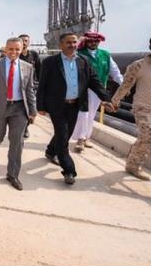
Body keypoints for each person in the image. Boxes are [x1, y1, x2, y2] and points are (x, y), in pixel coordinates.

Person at [37, 32, 114, 185]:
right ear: (61, 45)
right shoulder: (50, 62)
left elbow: (94, 81)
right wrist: (40, 106)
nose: (72, 45)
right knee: (63, 137)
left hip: (75, 105)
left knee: (65, 134)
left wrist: (106, 99)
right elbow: (42, 85)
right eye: (68, 42)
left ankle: (50, 151)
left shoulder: (83, 61)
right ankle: (69, 171)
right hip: (57, 105)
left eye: (74, 42)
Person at [0, 38, 37, 190]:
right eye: (11, 49)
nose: (14, 52)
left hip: (19, 109)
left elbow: (29, 90)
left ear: (22, 49)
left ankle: (13, 174)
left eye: (17, 49)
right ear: (5, 49)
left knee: (17, 142)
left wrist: (33, 110)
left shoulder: (27, 67)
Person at [110, 33, 151, 181]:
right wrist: (115, 101)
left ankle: (132, 165)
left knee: (144, 140)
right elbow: (126, 85)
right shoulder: (139, 65)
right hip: (144, 110)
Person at [71, 32, 123, 153]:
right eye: (90, 41)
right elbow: (68, 53)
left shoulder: (105, 55)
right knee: (83, 114)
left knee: (91, 114)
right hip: (82, 89)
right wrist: (79, 40)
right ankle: (80, 139)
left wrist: (123, 85)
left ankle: (86, 137)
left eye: (96, 41)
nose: (93, 43)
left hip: (98, 90)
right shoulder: (79, 53)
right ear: (86, 41)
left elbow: (115, 72)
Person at [18, 34, 41, 138]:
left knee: (30, 108)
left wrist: (40, 84)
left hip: (32, 86)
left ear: (29, 42)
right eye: (22, 40)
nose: (24, 43)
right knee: (21, 108)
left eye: (26, 40)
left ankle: (26, 126)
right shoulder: (16, 55)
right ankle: (23, 128)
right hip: (19, 86)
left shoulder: (34, 55)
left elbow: (39, 70)